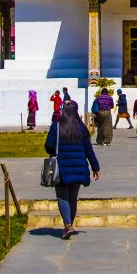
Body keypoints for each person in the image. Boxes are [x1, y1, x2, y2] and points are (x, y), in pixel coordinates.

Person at [44, 99, 99, 239]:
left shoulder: (56, 126)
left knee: (62, 196)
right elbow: (89, 150)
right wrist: (95, 167)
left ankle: (68, 225)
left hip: (62, 167)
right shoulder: (81, 128)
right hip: (79, 167)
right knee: (72, 198)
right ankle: (69, 225)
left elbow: (48, 146)